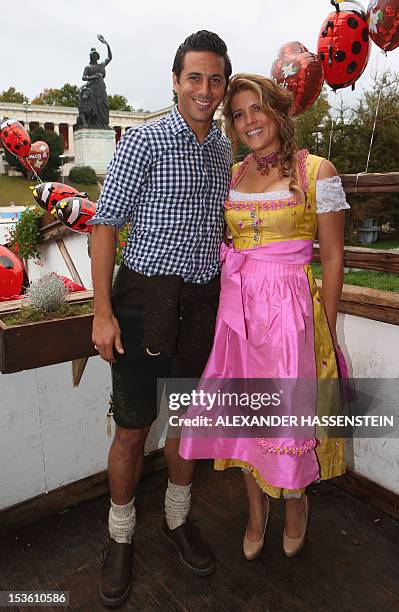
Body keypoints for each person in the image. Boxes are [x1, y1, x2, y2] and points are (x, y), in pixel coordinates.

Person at [179, 74, 349, 561]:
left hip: (292, 316)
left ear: (278, 111)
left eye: (256, 109)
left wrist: (325, 327)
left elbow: (333, 258)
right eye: (237, 114)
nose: (248, 121)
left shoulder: (317, 171)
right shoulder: (233, 175)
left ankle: (295, 506)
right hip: (239, 316)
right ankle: (257, 513)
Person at [90, 31, 232, 607]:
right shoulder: (144, 141)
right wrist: (102, 314)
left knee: (185, 426)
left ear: (223, 85)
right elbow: (104, 227)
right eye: (194, 77)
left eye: (215, 78)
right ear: (175, 81)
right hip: (142, 302)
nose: (204, 89)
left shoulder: (224, 152)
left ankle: (176, 522)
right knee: (131, 428)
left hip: (201, 305)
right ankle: (120, 538)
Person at [81, 35, 112, 128]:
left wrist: (107, 44)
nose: (95, 56)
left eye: (96, 55)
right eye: (93, 55)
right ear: (91, 56)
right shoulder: (88, 67)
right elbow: (83, 77)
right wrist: (93, 77)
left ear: (97, 56)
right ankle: (93, 124)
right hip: (92, 89)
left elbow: (109, 58)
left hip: (101, 88)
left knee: (105, 105)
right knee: (93, 108)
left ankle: (104, 124)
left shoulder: (101, 65)